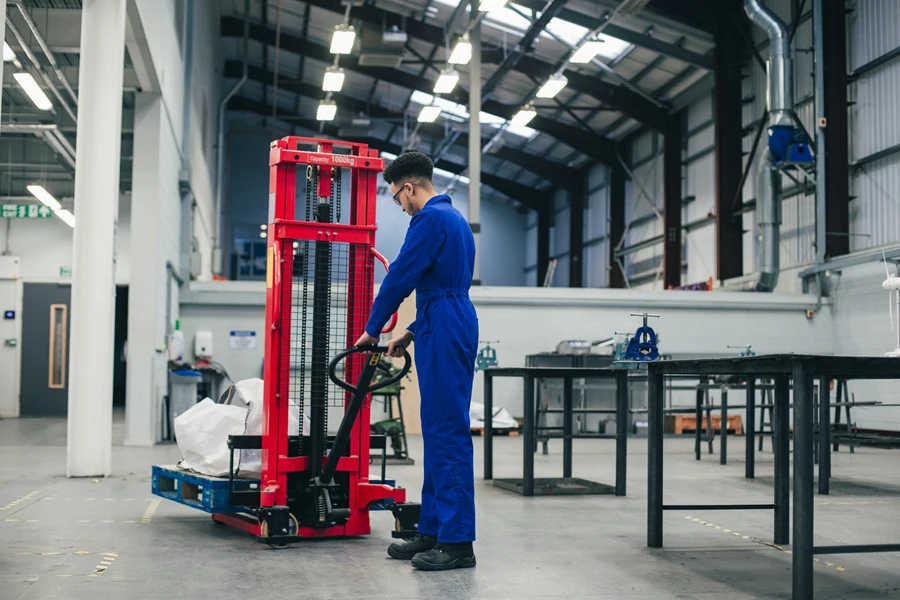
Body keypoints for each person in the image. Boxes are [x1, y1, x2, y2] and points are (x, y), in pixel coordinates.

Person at [354, 151, 478, 571]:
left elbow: (402, 274)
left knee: (447, 431)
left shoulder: (428, 220)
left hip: (444, 321)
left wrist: (373, 327)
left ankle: (458, 543)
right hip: (442, 319)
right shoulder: (455, 220)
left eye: (396, 198)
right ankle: (433, 529)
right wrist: (409, 331)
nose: (400, 206)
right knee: (437, 430)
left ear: (409, 186)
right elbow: (442, 284)